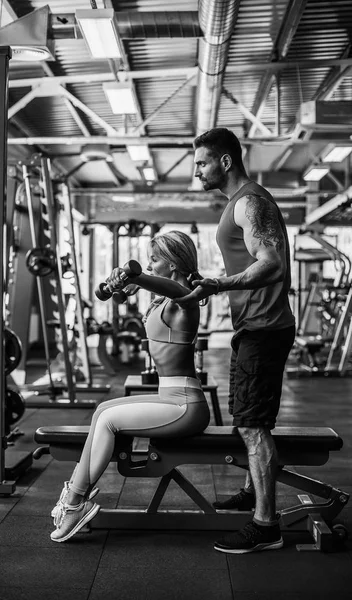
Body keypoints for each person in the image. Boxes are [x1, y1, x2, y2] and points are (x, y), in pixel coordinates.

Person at [174, 127, 295, 554]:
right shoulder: (238, 205)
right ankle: (251, 492)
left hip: (264, 327)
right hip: (255, 326)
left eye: (202, 163)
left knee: (251, 424)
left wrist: (218, 285)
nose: (197, 171)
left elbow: (272, 263)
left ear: (225, 161)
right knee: (248, 416)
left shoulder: (248, 203)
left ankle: (266, 524)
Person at [50, 230, 211, 542]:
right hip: (171, 399)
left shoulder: (186, 301)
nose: (150, 266)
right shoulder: (161, 299)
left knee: (109, 420)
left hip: (185, 406)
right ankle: (74, 496)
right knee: (102, 411)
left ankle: (75, 503)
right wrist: (121, 286)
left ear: (174, 263)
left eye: (154, 260)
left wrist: (136, 278)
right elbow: (136, 292)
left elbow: (172, 288)